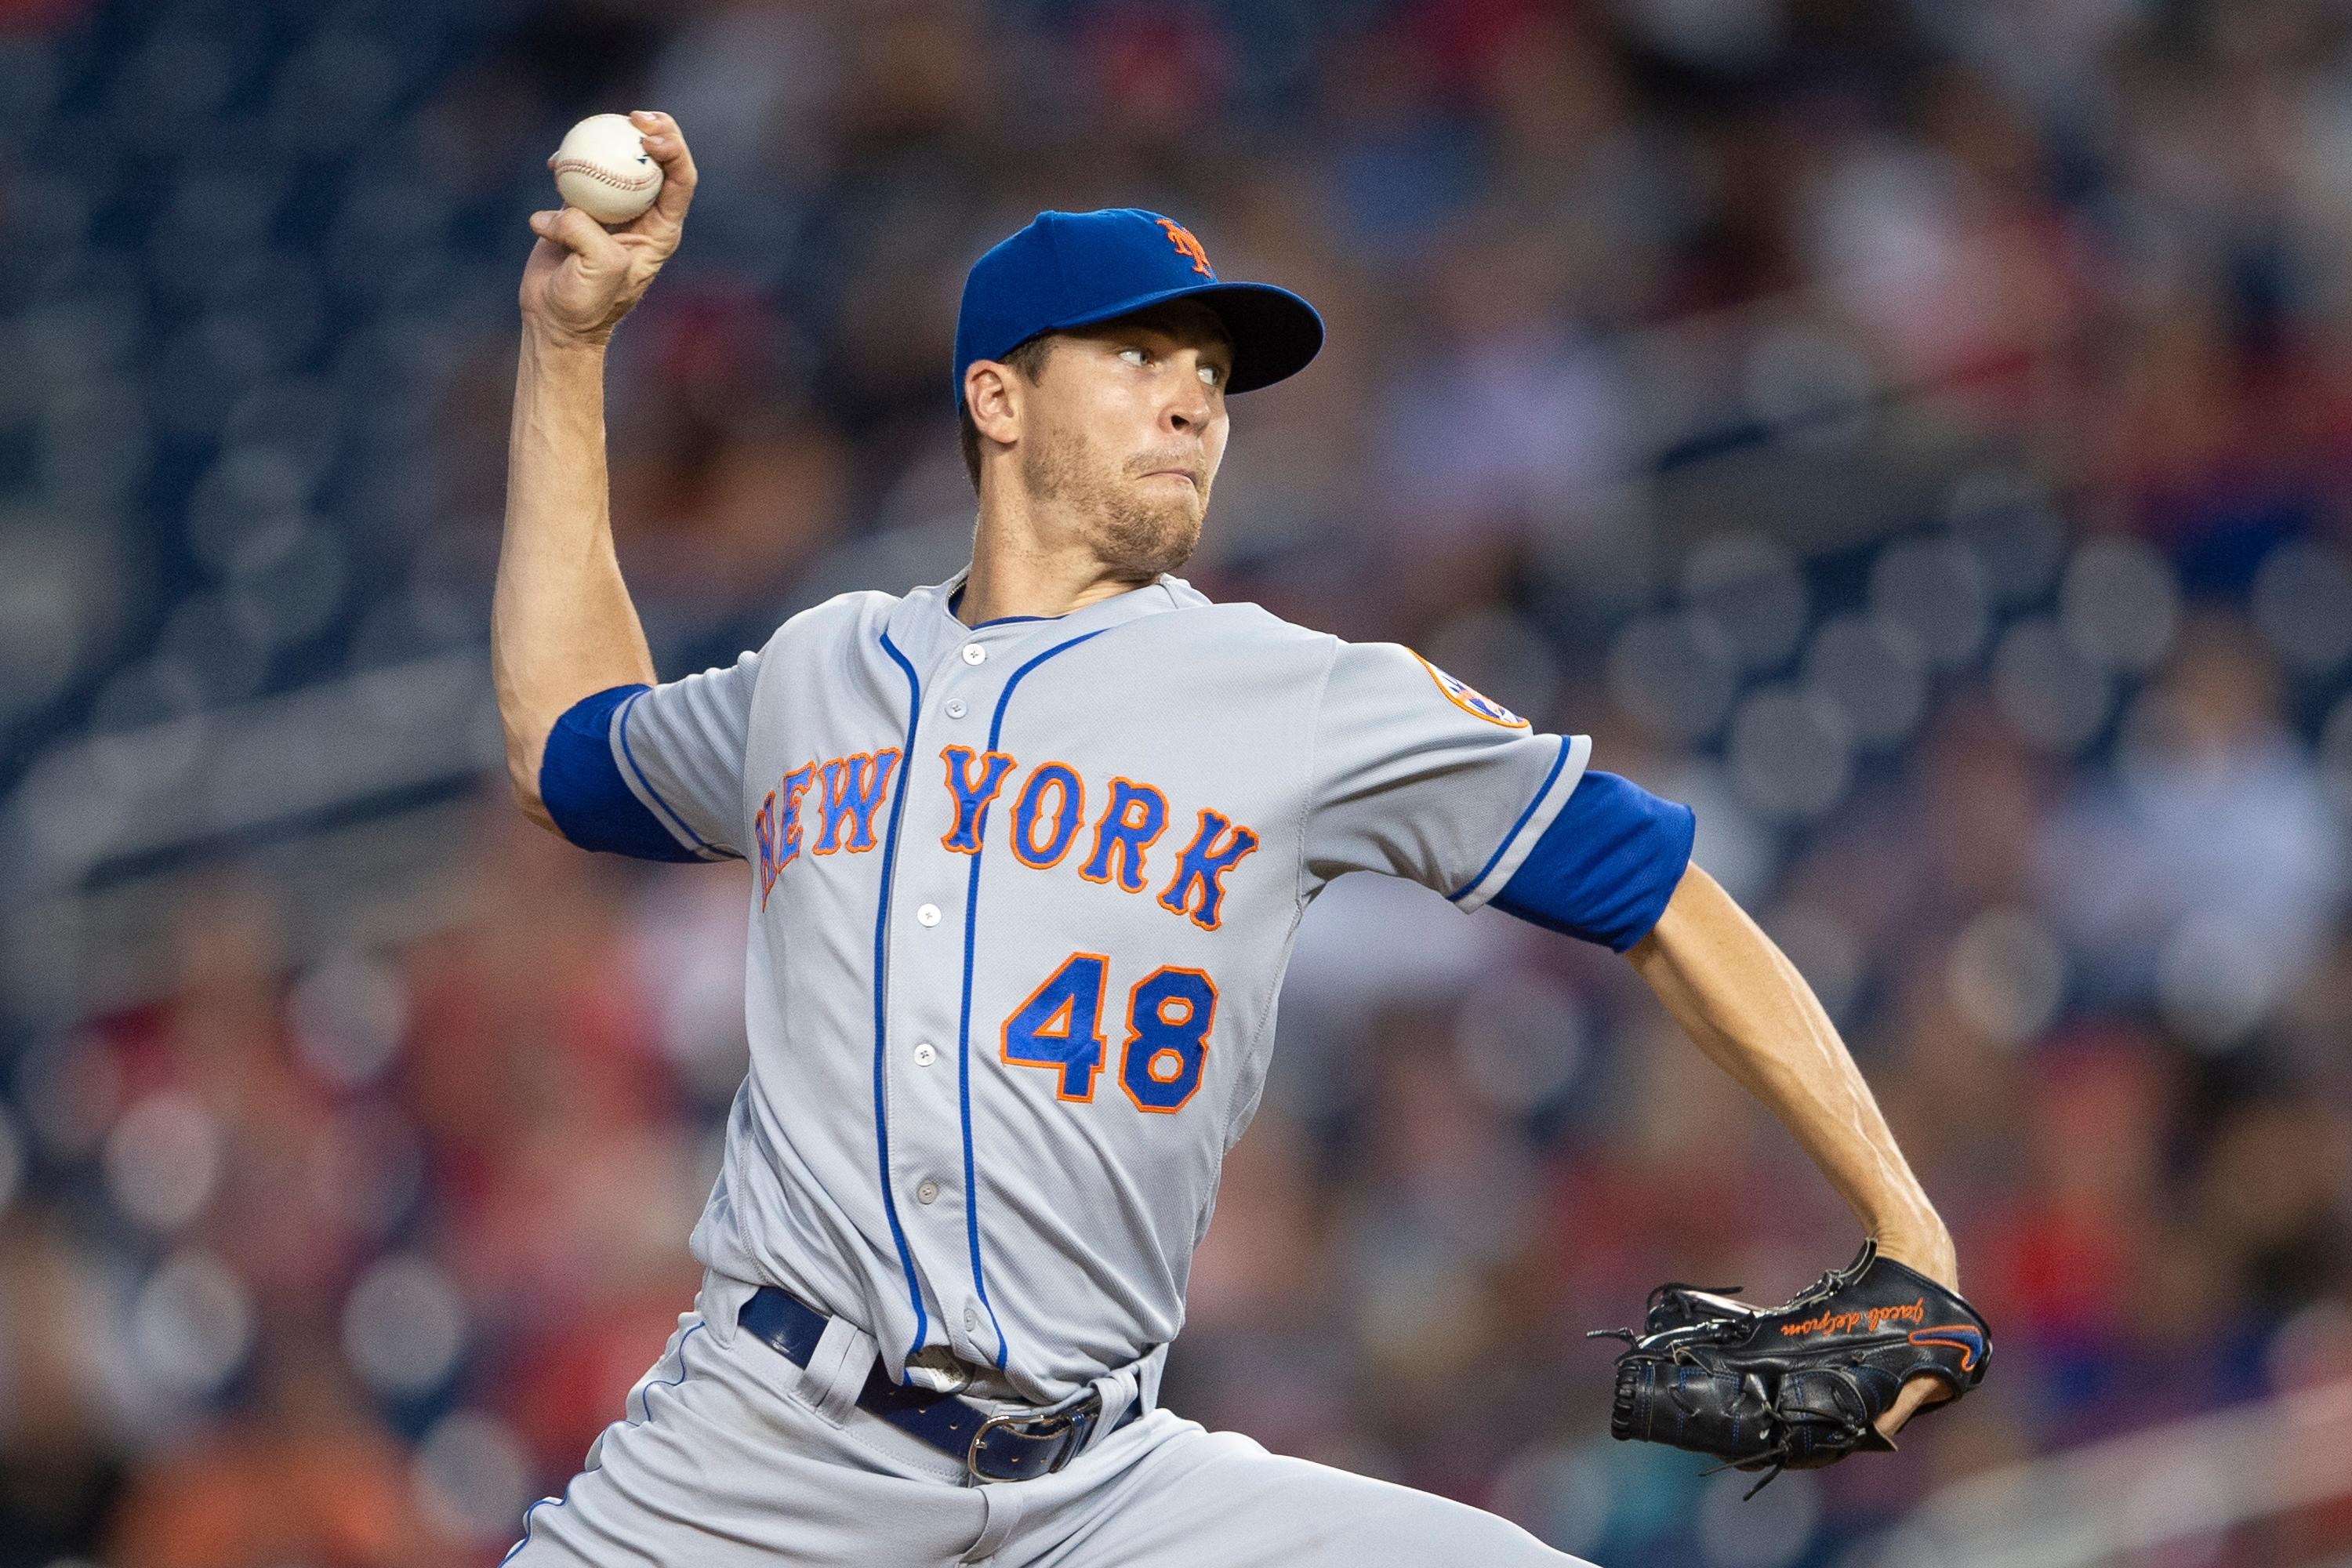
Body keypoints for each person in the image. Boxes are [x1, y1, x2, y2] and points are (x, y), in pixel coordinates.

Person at [492, 110, 1959, 1566]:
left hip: (1107, 1489)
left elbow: (1663, 893)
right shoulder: (822, 670)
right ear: (996, 401)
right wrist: (567, 351)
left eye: (1210, 373)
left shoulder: (1308, 696)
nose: (1193, 401)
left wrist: (1907, 1225)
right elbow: (569, 746)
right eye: (1136, 357)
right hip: (760, 1460)